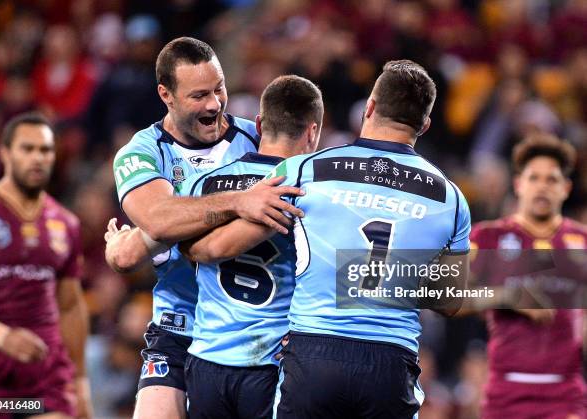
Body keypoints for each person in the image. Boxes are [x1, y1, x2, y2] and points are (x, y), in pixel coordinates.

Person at [167, 59, 471, 418]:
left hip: (315, 352)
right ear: (425, 124)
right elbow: (450, 300)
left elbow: (217, 248)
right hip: (391, 359)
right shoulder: (451, 198)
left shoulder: (304, 171)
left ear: (369, 108)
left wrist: (188, 244)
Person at [110, 37, 302, 419]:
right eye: (199, 95)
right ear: (166, 94)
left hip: (256, 334)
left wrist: (138, 242)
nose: (214, 104)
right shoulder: (144, 151)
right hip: (179, 325)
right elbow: (159, 217)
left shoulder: (257, 138)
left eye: (219, 88)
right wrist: (237, 201)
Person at [0, 112, 92, 419]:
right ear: (5, 153)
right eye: (27, 149)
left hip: (46, 378)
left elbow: (70, 306)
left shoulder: (65, 223)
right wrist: (1, 335)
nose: (38, 158)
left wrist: (80, 382)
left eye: (45, 150)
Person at [469, 134, 585, 419]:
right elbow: (446, 299)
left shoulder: (581, 242)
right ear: (519, 184)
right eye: (534, 178)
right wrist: (507, 296)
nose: (542, 187)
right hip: (504, 392)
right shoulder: (488, 237)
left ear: (566, 188)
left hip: (566, 393)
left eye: (552, 179)